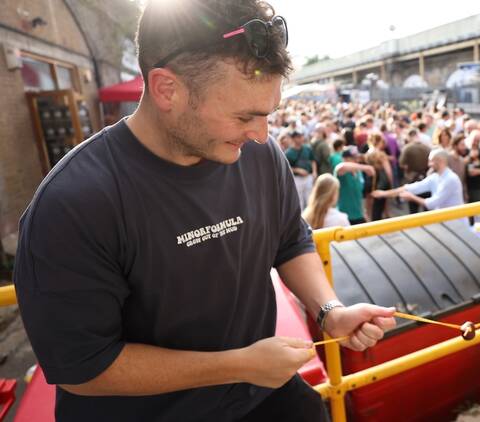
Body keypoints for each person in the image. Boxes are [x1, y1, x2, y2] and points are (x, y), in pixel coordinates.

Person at [12, 1, 396, 421]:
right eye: (245, 116)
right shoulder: (74, 203)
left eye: (268, 114)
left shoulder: (261, 156)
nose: (261, 135)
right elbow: (84, 368)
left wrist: (330, 312)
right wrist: (239, 364)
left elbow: (290, 240)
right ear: (166, 89)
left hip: (258, 397)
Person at [372, 149, 463, 212]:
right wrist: (384, 193)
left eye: (431, 161)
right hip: (447, 223)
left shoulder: (450, 179)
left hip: (456, 224)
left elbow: (432, 203)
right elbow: (411, 188)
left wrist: (412, 197)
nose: (429, 164)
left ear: (440, 161)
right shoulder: (435, 177)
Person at [333, 146, 375, 225]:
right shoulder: (342, 172)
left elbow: (359, 195)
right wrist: (365, 168)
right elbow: (341, 167)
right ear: (345, 159)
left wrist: (364, 212)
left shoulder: (358, 172)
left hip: (359, 215)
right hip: (345, 217)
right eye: (353, 158)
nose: (357, 160)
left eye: (357, 158)